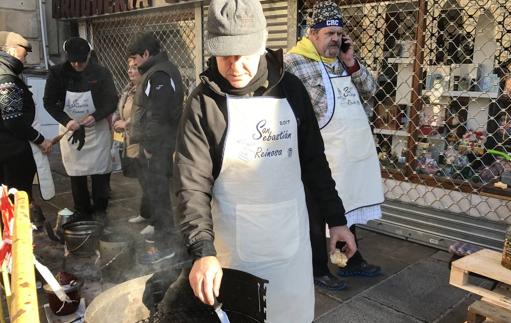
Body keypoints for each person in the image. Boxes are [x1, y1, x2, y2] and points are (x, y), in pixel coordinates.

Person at [160, 0, 357, 322]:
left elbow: (314, 163)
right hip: (234, 246)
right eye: (225, 55)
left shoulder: (290, 90)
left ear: (262, 46)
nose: (234, 66)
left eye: (244, 54)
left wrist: (336, 220)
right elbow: (190, 183)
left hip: (290, 240)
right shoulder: (204, 102)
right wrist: (202, 251)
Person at [284, 0, 384, 291]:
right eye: (329, 33)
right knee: (316, 213)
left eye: (339, 33)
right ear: (312, 34)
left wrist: (352, 61)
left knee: (346, 204)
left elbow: (371, 89)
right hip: (316, 151)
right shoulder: (293, 63)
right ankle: (317, 268)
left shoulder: (342, 60)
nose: (336, 39)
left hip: (346, 151)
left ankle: (350, 259)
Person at [43, 37, 118, 223]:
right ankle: (82, 211)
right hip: (71, 129)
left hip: (96, 128)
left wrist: (96, 116)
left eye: (81, 61)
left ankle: (101, 211)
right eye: (73, 60)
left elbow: (111, 101)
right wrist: (67, 121)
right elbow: (49, 102)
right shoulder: (57, 73)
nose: (77, 64)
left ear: (88, 57)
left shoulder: (101, 73)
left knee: (101, 171)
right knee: (76, 173)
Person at [127, 32, 184, 264]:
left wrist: (149, 145)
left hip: (159, 147)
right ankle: (162, 238)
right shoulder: (155, 71)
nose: (135, 64)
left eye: (136, 58)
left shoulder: (159, 74)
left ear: (147, 54)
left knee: (160, 197)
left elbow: (158, 114)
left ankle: (167, 245)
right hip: (157, 146)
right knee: (156, 195)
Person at [0, 31, 52, 226]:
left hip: (5, 150)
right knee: (17, 199)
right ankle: (17, 238)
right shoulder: (6, 78)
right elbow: (13, 120)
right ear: (12, 51)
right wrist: (40, 139)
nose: (26, 57)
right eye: (24, 52)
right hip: (12, 153)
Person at [111, 58, 149, 221]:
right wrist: (115, 120)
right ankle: (145, 213)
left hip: (144, 142)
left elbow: (146, 115)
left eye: (135, 68)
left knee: (149, 181)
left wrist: (126, 123)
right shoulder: (129, 88)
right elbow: (120, 109)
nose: (130, 71)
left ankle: (155, 220)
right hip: (130, 140)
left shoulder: (146, 90)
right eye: (129, 68)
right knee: (142, 180)